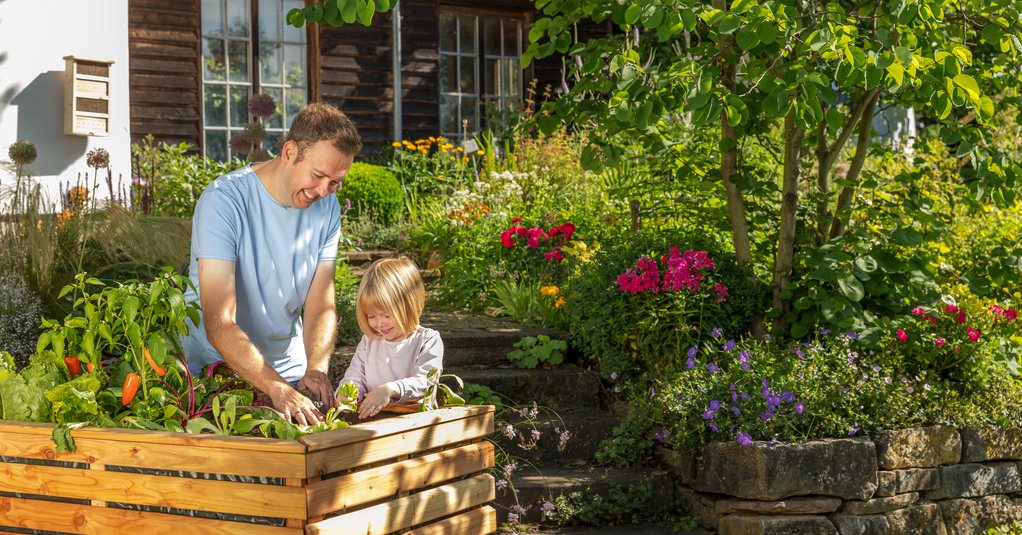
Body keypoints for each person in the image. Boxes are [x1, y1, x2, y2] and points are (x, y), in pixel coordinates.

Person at [180, 102, 361, 425]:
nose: (324, 191)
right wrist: (274, 387)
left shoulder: (328, 207)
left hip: (287, 378)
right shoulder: (225, 200)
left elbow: (321, 304)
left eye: (336, 182)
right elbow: (219, 320)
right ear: (290, 152)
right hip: (213, 375)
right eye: (318, 175)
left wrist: (316, 369)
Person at [338, 256, 443, 419]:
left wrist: (391, 389)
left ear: (409, 306)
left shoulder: (427, 340)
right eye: (371, 316)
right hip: (375, 420)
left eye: (386, 315)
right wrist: (348, 392)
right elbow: (355, 375)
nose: (379, 323)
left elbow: (426, 381)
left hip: (415, 422)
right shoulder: (370, 341)